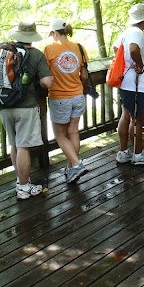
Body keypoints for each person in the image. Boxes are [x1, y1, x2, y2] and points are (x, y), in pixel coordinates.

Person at [0, 22, 54, 200]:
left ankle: (22, 181)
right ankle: (23, 187)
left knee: (15, 144)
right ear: (32, 37)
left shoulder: (2, 48)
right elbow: (48, 82)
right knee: (23, 147)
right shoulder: (36, 54)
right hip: (26, 106)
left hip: (3, 105)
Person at [43, 18, 90, 184]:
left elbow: (44, 75)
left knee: (60, 135)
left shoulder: (49, 50)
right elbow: (84, 75)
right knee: (73, 132)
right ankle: (71, 169)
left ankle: (76, 164)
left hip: (59, 97)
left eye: (52, 34)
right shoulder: (79, 47)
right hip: (78, 95)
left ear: (55, 33)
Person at [114, 3, 144, 166]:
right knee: (138, 120)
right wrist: (139, 65)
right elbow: (133, 49)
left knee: (126, 116)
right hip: (139, 84)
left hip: (126, 83)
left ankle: (123, 152)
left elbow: (116, 48)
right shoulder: (137, 33)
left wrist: (127, 64)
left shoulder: (126, 32)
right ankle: (138, 154)